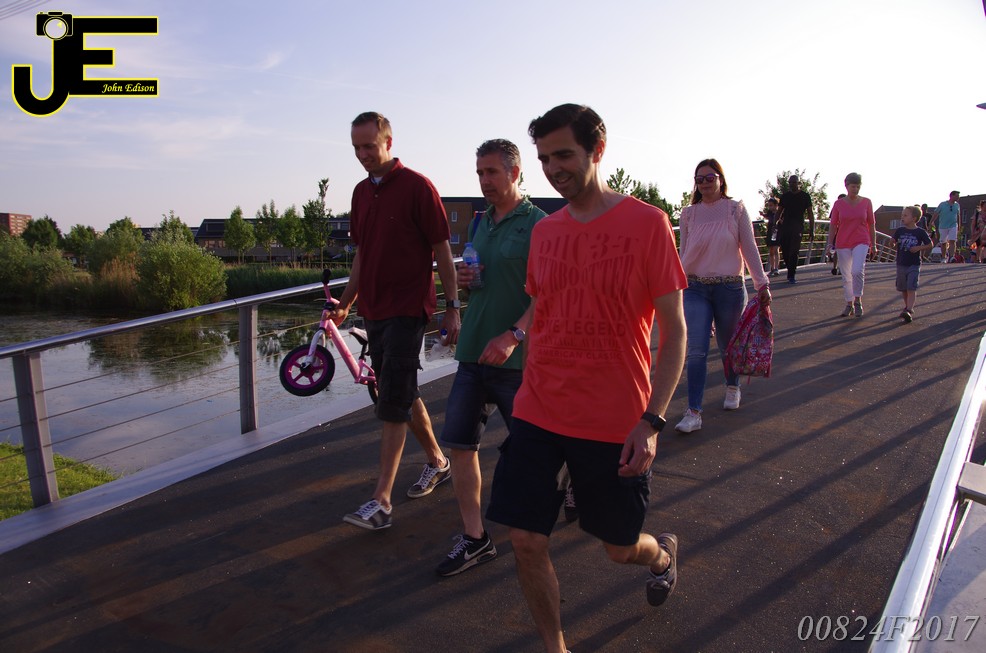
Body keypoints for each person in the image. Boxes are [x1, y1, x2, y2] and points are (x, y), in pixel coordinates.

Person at [485, 104, 687, 653]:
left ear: (597, 150)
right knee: (525, 538)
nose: (553, 169)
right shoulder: (546, 232)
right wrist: (515, 340)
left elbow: (675, 333)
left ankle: (662, 555)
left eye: (564, 155)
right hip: (539, 409)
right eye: (544, 159)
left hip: (614, 418)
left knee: (619, 548)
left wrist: (651, 421)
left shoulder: (647, 224)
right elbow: (543, 308)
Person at [331, 111, 461, 530]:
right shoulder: (359, 193)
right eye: (356, 147)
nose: (362, 154)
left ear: (388, 142)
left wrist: (452, 306)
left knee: (390, 403)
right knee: (402, 392)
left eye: (369, 146)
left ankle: (382, 501)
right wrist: (346, 303)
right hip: (374, 310)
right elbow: (362, 255)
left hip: (408, 309)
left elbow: (442, 251)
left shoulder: (418, 187)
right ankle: (438, 461)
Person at [434, 139, 546, 576]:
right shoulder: (480, 222)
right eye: (479, 173)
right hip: (473, 353)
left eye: (492, 172)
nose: (484, 181)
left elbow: (549, 295)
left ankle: (564, 491)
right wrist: (465, 279)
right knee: (461, 446)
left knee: (536, 450)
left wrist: (515, 335)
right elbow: (481, 279)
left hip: (518, 362)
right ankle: (475, 538)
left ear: (515, 173)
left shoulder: (539, 224)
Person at [674, 159, 771, 434]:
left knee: (728, 346)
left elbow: (749, 248)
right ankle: (693, 412)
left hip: (729, 287)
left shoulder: (735, 209)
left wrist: (762, 284)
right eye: (700, 179)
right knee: (696, 350)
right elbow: (684, 253)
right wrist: (675, 285)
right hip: (695, 288)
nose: (705, 183)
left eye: (710, 177)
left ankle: (732, 386)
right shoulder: (688, 214)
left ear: (720, 179)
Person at [826, 172, 876, 318]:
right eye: (853, 186)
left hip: (861, 240)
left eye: (858, 186)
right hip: (843, 242)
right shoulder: (838, 204)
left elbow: (871, 224)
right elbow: (833, 225)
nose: (855, 189)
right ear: (847, 186)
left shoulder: (866, 202)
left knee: (857, 270)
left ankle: (858, 300)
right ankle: (849, 303)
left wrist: (873, 244)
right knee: (846, 275)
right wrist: (830, 244)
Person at [891, 205, 933, 322]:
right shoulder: (900, 230)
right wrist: (892, 242)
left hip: (914, 264)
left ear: (914, 218)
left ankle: (909, 309)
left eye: (905, 215)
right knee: (903, 288)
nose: (902, 217)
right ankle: (907, 307)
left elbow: (930, 244)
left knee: (911, 287)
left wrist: (919, 248)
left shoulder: (920, 232)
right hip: (901, 263)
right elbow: (893, 241)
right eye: (902, 215)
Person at [776, 174, 815, 284]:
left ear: (799, 183)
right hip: (785, 227)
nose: (791, 185)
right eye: (790, 183)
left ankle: (791, 275)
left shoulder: (805, 196)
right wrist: (774, 224)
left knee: (794, 251)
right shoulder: (785, 196)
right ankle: (790, 268)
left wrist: (812, 230)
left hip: (798, 227)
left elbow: (810, 213)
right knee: (785, 250)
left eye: (794, 182)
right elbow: (779, 211)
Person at [932, 191, 961, 263]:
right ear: (951, 196)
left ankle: (951, 257)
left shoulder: (957, 205)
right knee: (943, 242)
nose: (958, 197)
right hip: (943, 226)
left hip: (953, 225)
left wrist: (959, 225)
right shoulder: (942, 204)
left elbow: (958, 215)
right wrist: (931, 222)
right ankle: (943, 257)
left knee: (952, 241)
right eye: (956, 196)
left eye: (958, 196)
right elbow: (936, 213)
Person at [762, 197, 781, 277]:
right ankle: (772, 268)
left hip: (776, 231)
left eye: (771, 205)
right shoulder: (770, 212)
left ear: (776, 205)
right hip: (770, 231)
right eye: (769, 205)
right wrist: (763, 215)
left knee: (776, 249)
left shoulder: (779, 212)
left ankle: (776, 268)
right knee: (771, 250)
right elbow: (767, 217)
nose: (770, 207)